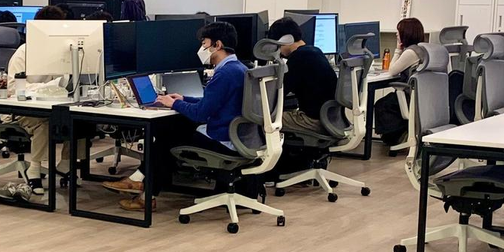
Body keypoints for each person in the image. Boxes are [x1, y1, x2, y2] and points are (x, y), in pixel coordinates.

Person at [112, 20, 248, 212]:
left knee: (166, 136)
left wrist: (174, 103)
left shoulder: (224, 74)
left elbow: (201, 113)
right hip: (236, 135)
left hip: (223, 139)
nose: (201, 49)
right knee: (172, 130)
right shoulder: (239, 68)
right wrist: (184, 99)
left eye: (204, 43)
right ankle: (142, 186)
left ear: (217, 45)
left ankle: (143, 189)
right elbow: (213, 102)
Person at [3, 5, 70, 192]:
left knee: (77, 120)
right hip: (20, 109)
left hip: (52, 105)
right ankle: (34, 169)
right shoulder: (23, 52)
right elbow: (13, 88)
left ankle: (66, 163)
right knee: (44, 122)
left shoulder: (62, 53)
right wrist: (48, 87)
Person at [267, 16, 337, 136]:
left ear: (285, 40)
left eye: (277, 45)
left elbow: (279, 92)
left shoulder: (298, 58)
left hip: (314, 122)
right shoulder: (315, 51)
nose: (277, 50)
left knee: (265, 119)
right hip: (331, 119)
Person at [372, 16, 426, 144]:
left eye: (399, 31)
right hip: (422, 98)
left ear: (407, 33)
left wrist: (397, 49)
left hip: (410, 97)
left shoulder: (411, 52)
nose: (397, 34)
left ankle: (396, 139)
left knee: (382, 105)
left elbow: (392, 71)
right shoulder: (422, 49)